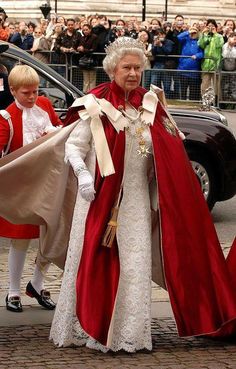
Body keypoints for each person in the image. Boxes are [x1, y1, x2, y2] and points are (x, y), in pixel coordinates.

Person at [47, 37, 236, 351]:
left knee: (134, 266)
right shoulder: (95, 104)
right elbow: (74, 147)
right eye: (127, 67)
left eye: (138, 67)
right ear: (113, 70)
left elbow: (168, 147)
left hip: (135, 200)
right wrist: (82, 174)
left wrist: (163, 185)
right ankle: (89, 330)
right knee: (93, 262)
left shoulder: (150, 104)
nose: (133, 73)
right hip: (97, 198)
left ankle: (130, 336)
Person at [0, 65, 61, 312]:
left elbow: (59, 129)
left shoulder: (45, 106)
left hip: (48, 180)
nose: (32, 97)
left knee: (50, 234)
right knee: (20, 238)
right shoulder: (6, 117)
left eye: (35, 91)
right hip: (23, 185)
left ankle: (37, 283)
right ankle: (13, 290)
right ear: (13, 90)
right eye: (26, 93)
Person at [198, 19, 224, 97]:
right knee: (204, 85)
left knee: (217, 86)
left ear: (215, 27)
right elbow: (200, 45)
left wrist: (215, 34)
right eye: (209, 26)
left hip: (216, 64)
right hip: (206, 65)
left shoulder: (219, 36)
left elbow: (219, 45)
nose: (210, 27)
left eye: (212, 26)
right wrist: (203, 34)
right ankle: (204, 102)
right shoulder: (205, 36)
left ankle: (217, 103)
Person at [177, 26, 204, 100]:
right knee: (183, 92)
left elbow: (203, 53)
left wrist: (197, 56)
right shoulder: (186, 39)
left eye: (195, 31)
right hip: (183, 70)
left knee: (194, 93)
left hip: (194, 72)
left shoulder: (200, 42)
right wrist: (188, 32)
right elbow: (178, 37)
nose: (193, 33)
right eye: (192, 31)